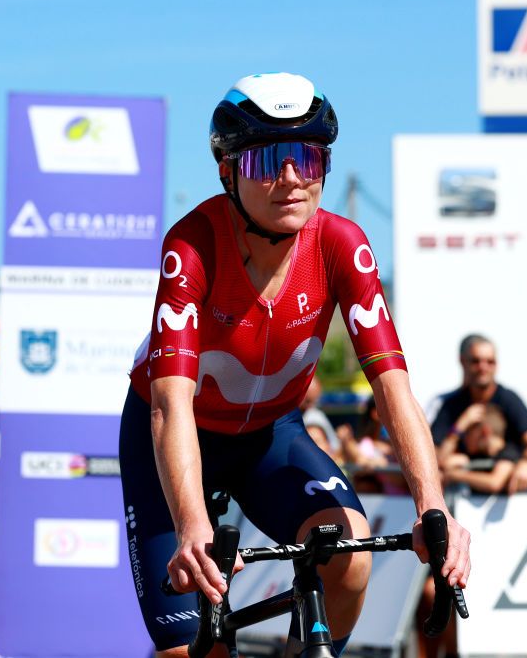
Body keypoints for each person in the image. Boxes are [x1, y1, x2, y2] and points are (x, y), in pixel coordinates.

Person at [118, 72, 470, 658]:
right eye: (268, 161)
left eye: (307, 159)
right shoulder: (192, 246)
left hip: (268, 438)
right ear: (228, 170)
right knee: (190, 651)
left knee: (350, 555)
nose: (291, 179)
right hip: (178, 440)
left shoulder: (343, 244)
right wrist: (190, 524)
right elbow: (168, 403)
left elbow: (391, 387)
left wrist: (433, 507)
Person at [430, 334, 527, 493]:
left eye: (490, 362)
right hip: (474, 502)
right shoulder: (451, 405)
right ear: (463, 361)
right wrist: (459, 428)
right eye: (476, 361)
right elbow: (432, 459)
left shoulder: (509, 399)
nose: (483, 367)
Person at [300, 376, 341, 462]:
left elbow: (335, 449)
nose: (310, 406)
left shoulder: (315, 416)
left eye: (313, 401)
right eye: (308, 401)